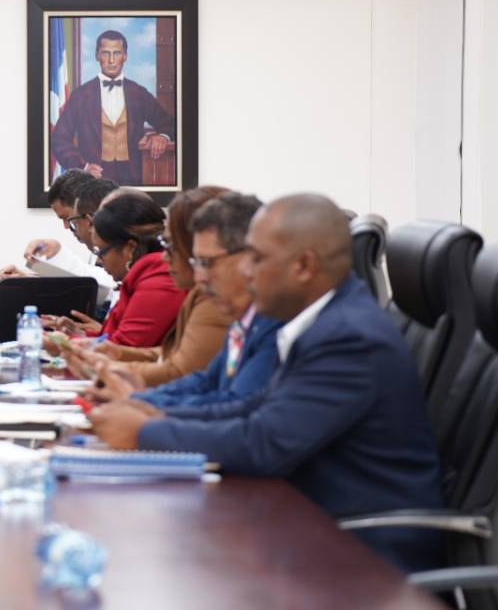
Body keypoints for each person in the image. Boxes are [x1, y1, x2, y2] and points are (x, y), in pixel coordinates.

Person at [89, 193, 444, 573]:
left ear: (304, 266)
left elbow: (265, 441)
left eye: (256, 259)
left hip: (360, 551)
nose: (246, 271)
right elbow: (254, 406)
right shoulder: (319, 321)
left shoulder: (348, 337)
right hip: (309, 520)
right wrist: (153, 411)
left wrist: (145, 433)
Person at [66, 187, 232, 388]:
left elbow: (179, 371)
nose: (164, 255)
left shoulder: (204, 292)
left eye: (171, 245)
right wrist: (114, 353)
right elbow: (173, 354)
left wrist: (106, 364)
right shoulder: (201, 288)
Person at [50, 30, 176, 185]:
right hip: (94, 182)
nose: (111, 60)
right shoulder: (81, 95)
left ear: (125, 56)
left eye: (116, 53)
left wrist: (163, 136)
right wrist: (83, 167)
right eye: (105, 53)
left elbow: (170, 123)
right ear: (97, 56)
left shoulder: (139, 93)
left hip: (133, 178)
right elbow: (59, 139)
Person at [86, 193, 186, 346]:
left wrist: (65, 343)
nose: (99, 260)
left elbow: (124, 347)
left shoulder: (159, 277)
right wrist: (76, 336)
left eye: (101, 251)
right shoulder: (144, 275)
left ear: (130, 247)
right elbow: (112, 337)